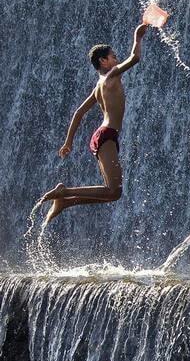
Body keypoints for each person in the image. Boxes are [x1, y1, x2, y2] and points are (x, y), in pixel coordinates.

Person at [39, 20, 153, 221]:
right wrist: (138, 35)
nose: (117, 59)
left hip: (102, 136)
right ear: (103, 61)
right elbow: (135, 58)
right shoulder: (111, 76)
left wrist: (68, 142)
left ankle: (66, 201)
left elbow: (78, 113)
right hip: (107, 135)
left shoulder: (98, 86)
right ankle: (64, 192)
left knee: (113, 193)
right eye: (113, 56)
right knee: (113, 190)